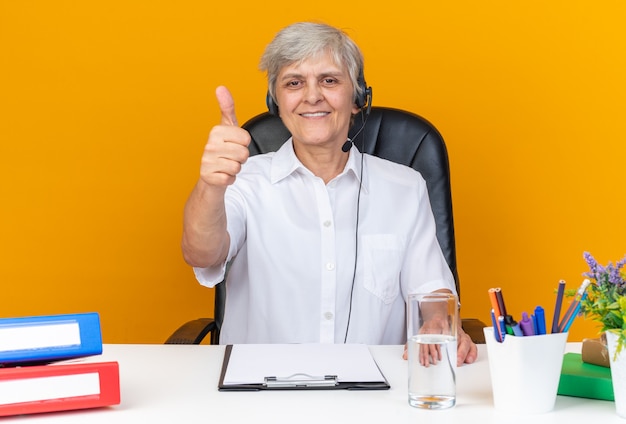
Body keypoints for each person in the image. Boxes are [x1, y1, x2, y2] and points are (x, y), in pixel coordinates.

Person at [182, 22, 477, 365]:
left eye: (329, 80)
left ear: (358, 99)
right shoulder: (245, 180)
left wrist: (439, 318)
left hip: (375, 394)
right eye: (294, 83)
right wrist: (211, 185)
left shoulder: (405, 187)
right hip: (259, 391)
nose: (312, 96)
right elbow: (201, 253)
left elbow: (432, 289)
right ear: (276, 102)